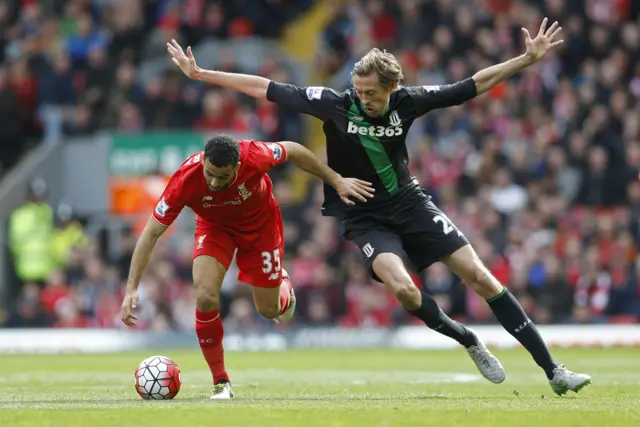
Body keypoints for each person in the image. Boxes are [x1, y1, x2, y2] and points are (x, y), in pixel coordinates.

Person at [166, 18, 592, 395]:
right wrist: (202, 74)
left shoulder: (408, 102)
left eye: (371, 93)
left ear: (391, 88)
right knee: (405, 289)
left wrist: (526, 60)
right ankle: (467, 340)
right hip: (365, 217)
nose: (363, 99)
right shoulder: (335, 103)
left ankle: (554, 370)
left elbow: (473, 85)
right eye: (359, 90)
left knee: (481, 277)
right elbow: (264, 87)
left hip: (411, 203)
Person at [120, 135, 374, 400]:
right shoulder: (185, 179)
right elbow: (150, 234)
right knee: (205, 296)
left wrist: (335, 180)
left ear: (238, 166)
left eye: (223, 177)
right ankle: (221, 382)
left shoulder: (255, 155)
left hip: (260, 228)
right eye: (210, 174)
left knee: (269, 310)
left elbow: (295, 150)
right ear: (203, 161)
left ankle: (282, 285)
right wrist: (131, 288)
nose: (215, 182)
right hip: (215, 228)